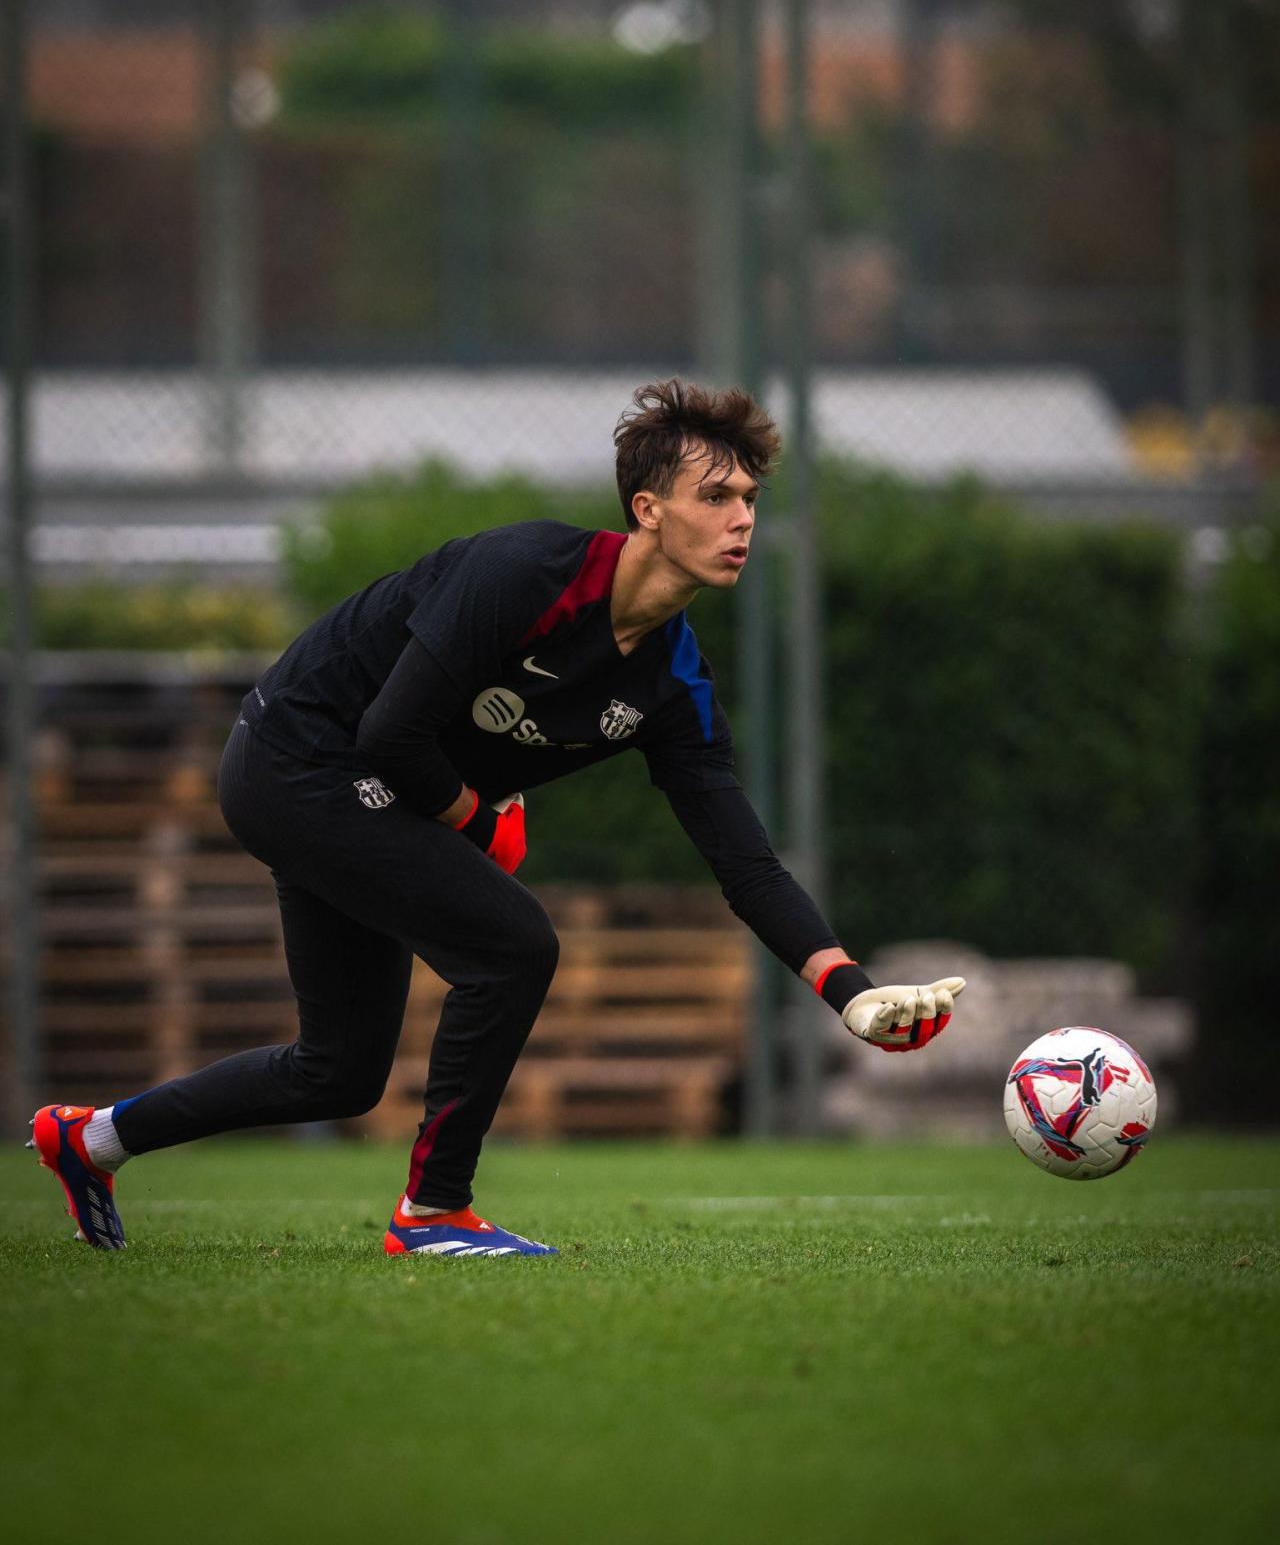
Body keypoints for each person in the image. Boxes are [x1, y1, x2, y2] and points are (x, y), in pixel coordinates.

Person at [31, 379, 965, 1258]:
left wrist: (853, 992)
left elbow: (745, 864)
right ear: (648, 510)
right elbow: (391, 732)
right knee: (515, 945)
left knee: (340, 1072)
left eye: (751, 499)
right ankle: (435, 1211)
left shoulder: (674, 684)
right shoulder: (524, 571)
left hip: (367, 787)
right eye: (716, 496)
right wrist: (480, 820)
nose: (743, 519)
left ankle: (94, 1140)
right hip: (298, 757)